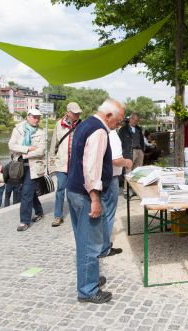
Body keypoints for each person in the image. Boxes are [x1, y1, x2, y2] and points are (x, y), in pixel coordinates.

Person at [66, 98, 125, 304]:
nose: (119, 124)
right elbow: (91, 168)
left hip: (73, 191)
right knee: (90, 244)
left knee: (84, 241)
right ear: (108, 116)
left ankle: (88, 279)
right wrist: (95, 199)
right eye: (118, 120)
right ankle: (88, 290)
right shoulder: (100, 131)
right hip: (84, 195)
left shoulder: (85, 124)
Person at [98, 106, 132, 259]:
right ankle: (105, 247)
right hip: (111, 178)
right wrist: (127, 162)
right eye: (119, 120)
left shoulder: (99, 132)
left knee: (102, 213)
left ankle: (100, 245)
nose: (119, 123)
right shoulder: (111, 135)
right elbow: (116, 160)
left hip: (101, 177)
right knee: (108, 213)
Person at [8, 108, 46, 232]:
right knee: (26, 191)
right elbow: (11, 146)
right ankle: (39, 211)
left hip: (33, 166)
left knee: (25, 192)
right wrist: (28, 148)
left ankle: (24, 221)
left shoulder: (41, 132)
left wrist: (22, 153)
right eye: (34, 117)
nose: (37, 119)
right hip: (18, 165)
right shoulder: (18, 129)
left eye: (38, 117)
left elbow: (40, 151)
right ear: (28, 117)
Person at [49, 102, 82, 227]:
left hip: (75, 164)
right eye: (75, 113)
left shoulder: (81, 124)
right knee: (60, 190)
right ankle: (58, 216)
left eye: (78, 113)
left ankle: (77, 213)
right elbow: (53, 144)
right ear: (68, 113)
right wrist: (51, 164)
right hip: (62, 163)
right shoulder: (59, 124)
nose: (77, 115)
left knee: (74, 190)